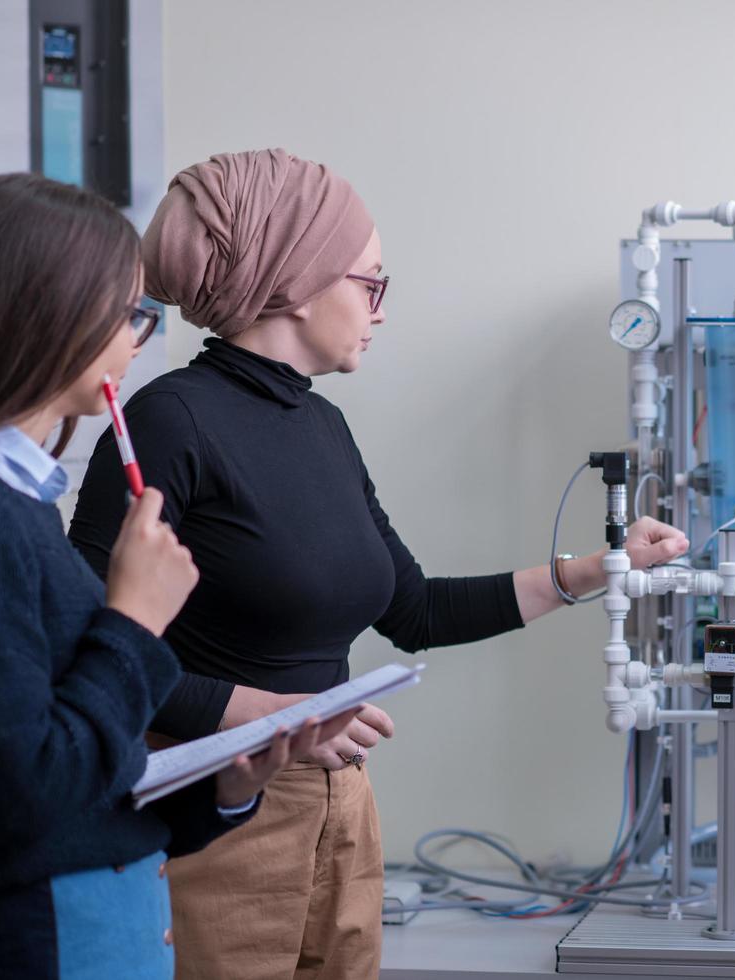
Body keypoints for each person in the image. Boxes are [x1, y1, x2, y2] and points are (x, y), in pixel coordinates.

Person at [67, 148, 689, 979]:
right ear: (293, 281)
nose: (381, 310)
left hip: (344, 811)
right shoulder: (169, 420)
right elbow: (86, 641)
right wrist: (264, 715)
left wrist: (592, 571)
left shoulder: (322, 428)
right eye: (371, 284)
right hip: (218, 822)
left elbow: (413, 609)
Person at [0, 172, 353, 979]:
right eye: (131, 313)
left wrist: (223, 786)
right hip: (40, 936)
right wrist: (134, 619)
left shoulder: (16, 501)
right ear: (50, 312)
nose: (136, 341)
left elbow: (80, 772)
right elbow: (24, 795)